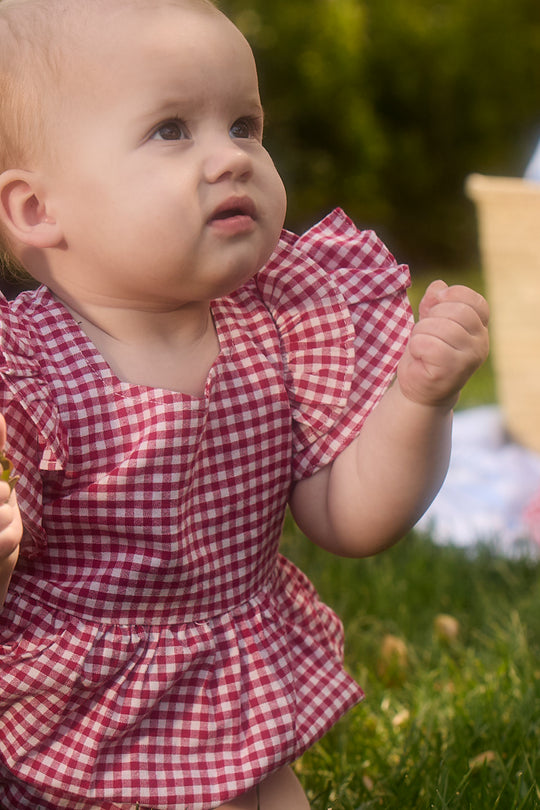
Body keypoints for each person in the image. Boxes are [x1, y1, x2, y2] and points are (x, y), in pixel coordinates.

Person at [0, 0, 489, 807]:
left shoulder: (285, 322)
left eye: (244, 125)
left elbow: (351, 518)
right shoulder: (26, 375)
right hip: (73, 719)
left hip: (229, 693)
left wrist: (420, 400)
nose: (231, 157)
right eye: (170, 130)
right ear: (38, 211)